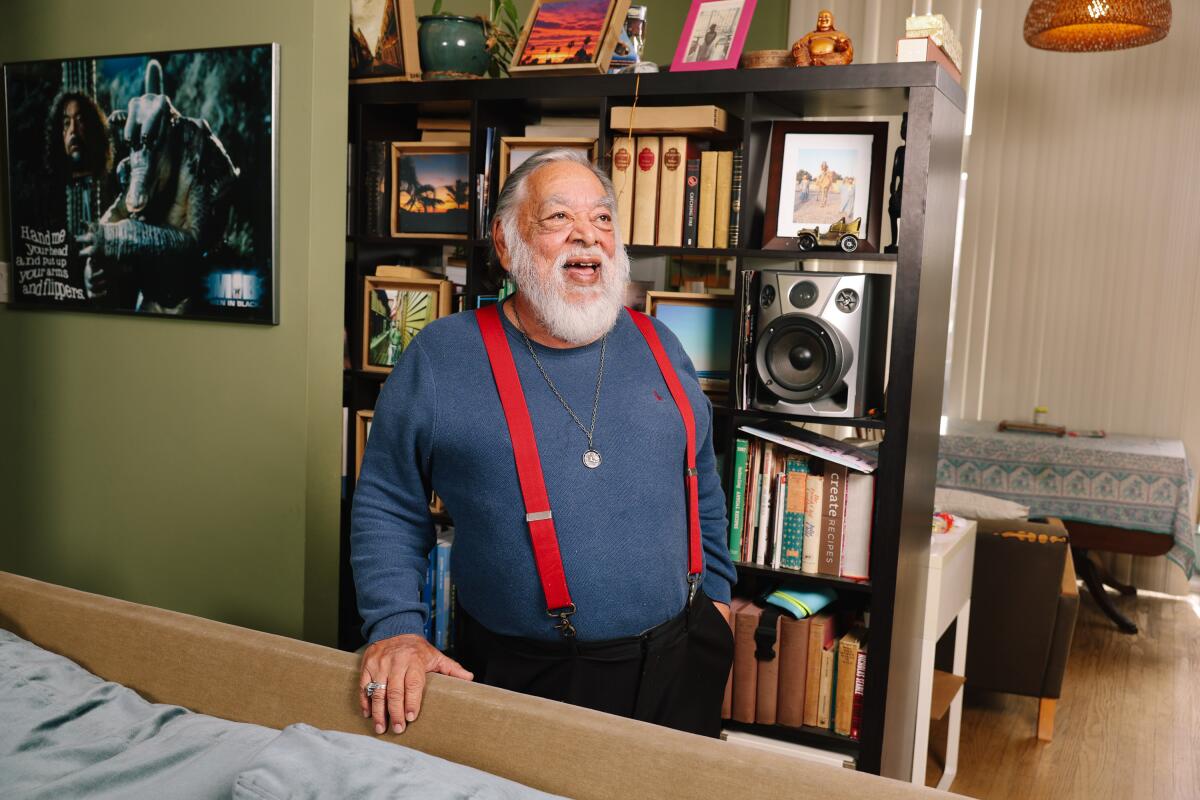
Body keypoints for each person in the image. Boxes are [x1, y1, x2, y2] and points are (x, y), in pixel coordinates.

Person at [351, 149, 736, 741]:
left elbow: (699, 480)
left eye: (603, 219)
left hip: (683, 661)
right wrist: (396, 626)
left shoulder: (661, 342)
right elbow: (387, 503)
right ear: (506, 245)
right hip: (527, 674)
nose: (588, 236)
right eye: (558, 218)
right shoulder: (442, 357)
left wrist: (718, 598)